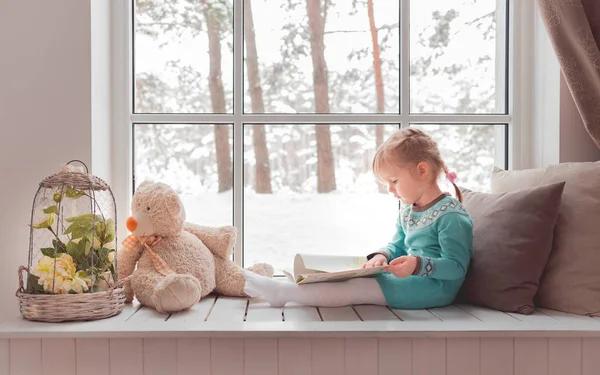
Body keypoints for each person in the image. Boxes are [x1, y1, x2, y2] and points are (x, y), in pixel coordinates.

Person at [243, 128, 473, 309]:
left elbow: (457, 267)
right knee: (348, 278)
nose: (390, 190)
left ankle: (282, 293)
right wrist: (382, 256)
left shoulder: (451, 216)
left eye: (394, 181)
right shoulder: (408, 211)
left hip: (434, 289)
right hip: (410, 278)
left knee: (358, 288)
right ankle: (286, 287)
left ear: (422, 171)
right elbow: (398, 244)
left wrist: (417, 265)